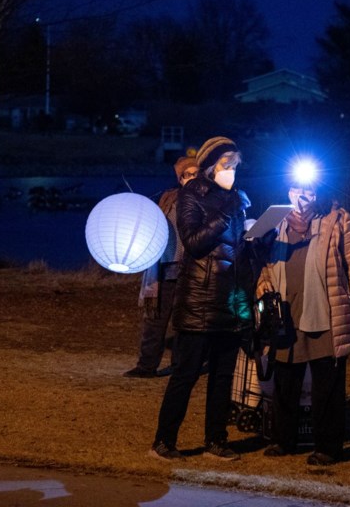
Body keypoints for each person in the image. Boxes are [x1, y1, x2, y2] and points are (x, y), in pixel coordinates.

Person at [149, 136, 254, 462]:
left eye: (235, 166)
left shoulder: (236, 197)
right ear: (210, 165)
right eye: (226, 166)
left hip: (229, 299)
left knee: (223, 376)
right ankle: (163, 442)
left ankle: (216, 439)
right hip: (198, 299)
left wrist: (255, 233)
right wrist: (225, 216)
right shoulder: (190, 194)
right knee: (186, 374)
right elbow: (193, 242)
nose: (231, 172)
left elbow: (236, 249)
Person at [255, 176, 350, 466]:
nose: (302, 195)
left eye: (309, 190)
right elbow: (268, 263)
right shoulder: (277, 222)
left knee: (327, 384)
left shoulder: (337, 218)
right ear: (288, 191)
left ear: (319, 192)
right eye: (296, 189)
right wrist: (262, 283)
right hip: (286, 312)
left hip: (325, 311)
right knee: (285, 379)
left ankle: (328, 447)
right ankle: (283, 440)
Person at [124, 155, 200, 378]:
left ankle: (181, 367)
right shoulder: (169, 199)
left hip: (192, 270)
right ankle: (146, 365)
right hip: (166, 266)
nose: (193, 178)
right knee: (155, 320)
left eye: (197, 173)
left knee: (184, 323)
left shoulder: (207, 199)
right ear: (180, 178)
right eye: (188, 174)